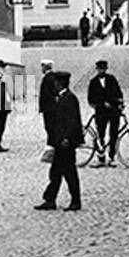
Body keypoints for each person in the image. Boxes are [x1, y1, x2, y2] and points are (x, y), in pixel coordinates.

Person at [34, 70, 82, 211]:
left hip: (65, 143)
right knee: (56, 172)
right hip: (58, 141)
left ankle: (75, 200)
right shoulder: (61, 98)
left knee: (69, 173)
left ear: (59, 84)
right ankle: (50, 199)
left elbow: (73, 122)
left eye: (56, 83)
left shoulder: (69, 98)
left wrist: (67, 138)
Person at [86, 59, 125, 166]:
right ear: (97, 69)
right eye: (100, 69)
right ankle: (101, 157)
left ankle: (112, 157)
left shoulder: (112, 79)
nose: (101, 71)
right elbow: (91, 100)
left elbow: (118, 93)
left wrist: (120, 103)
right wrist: (102, 104)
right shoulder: (93, 82)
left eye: (103, 69)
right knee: (100, 135)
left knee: (113, 135)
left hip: (113, 112)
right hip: (101, 113)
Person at [37, 60, 59, 141]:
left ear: (45, 67)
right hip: (50, 108)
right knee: (50, 127)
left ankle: (52, 143)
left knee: (50, 127)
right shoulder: (51, 77)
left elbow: (47, 94)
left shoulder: (48, 78)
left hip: (49, 109)